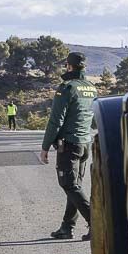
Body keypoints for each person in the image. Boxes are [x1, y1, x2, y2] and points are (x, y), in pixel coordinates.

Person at [39, 52, 98, 240]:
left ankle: (96, 223)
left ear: (68, 66)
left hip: (69, 144)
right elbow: (94, 119)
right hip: (85, 143)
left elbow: (56, 120)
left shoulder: (66, 88)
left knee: (69, 184)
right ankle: (67, 227)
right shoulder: (91, 88)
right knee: (75, 185)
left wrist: (45, 146)